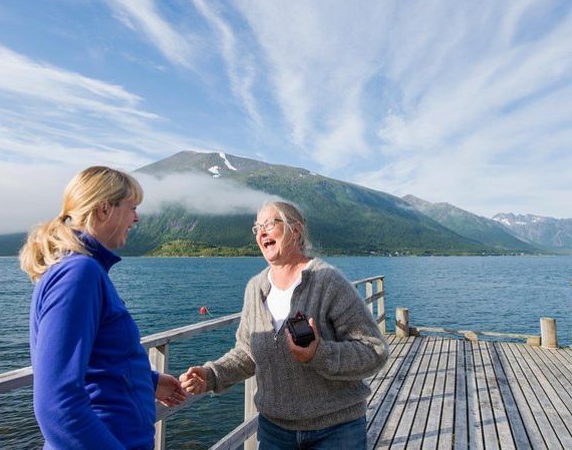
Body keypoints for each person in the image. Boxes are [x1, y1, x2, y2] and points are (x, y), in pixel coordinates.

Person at [180, 201, 389, 449]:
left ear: (296, 230)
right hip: (274, 431)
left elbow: (373, 350)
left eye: (270, 224)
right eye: (257, 228)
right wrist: (211, 375)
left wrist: (318, 354)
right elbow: (247, 353)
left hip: (336, 430)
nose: (261, 232)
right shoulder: (255, 289)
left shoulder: (327, 281)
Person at [20, 166, 186, 450]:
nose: (136, 218)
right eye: (132, 207)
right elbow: (56, 405)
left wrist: (149, 381)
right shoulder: (79, 274)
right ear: (104, 210)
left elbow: (99, 362)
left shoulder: (83, 270)